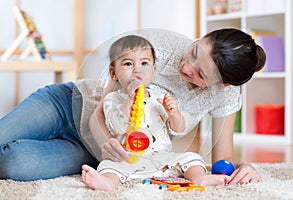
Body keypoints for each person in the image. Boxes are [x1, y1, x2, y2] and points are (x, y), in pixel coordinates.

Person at [0, 28, 265, 184]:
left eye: (200, 74)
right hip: (69, 104)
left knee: (11, 164)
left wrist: (241, 169)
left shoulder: (225, 96)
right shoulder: (158, 47)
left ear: (222, 85)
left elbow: (222, 158)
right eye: (194, 52)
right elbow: (101, 107)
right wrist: (104, 139)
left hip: (93, 152)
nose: (186, 67)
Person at [81, 35, 231, 191]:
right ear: (113, 73)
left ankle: (200, 178)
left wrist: (174, 115)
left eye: (144, 63)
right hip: (128, 158)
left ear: (153, 72)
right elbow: (117, 127)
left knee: (192, 158)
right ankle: (108, 184)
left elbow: (177, 129)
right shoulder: (113, 99)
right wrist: (128, 102)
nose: (137, 69)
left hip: (161, 157)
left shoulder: (160, 98)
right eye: (128, 64)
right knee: (107, 166)